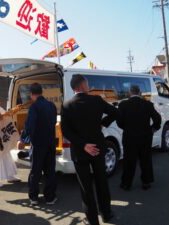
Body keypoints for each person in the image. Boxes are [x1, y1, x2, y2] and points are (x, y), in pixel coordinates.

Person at [61, 74, 117, 225]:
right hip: (98, 147)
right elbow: (115, 112)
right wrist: (103, 124)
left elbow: (65, 131)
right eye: (87, 83)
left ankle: (92, 220)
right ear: (82, 86)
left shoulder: (67, 105)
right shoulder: (97, 100)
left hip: (80, 151)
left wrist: (83, 145)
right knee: (101, 182)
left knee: (85, 187)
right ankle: (106, 214)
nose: (88, 85)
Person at [17, 83, 57, 205]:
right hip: (50, 142)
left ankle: (34, 197)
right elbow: (54, 122)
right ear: (41, 92)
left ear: (31, 94)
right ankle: (50, 198)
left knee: (36, 171)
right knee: (50, 171)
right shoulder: (52, 106)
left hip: (38, 144)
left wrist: (22, 139)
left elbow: (29, 126)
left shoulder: (34, 107)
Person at [117, 85, 161, 191]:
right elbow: (157, 118)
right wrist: (153, 129)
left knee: (129, 161)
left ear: (130, 93)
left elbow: (119, 122)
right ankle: (146, 182)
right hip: (145, 136)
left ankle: (126, 183)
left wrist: (127, 128)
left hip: (129, 137)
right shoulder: (147, 104)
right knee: (145, 160)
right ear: (139, 92)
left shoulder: (123, 105)